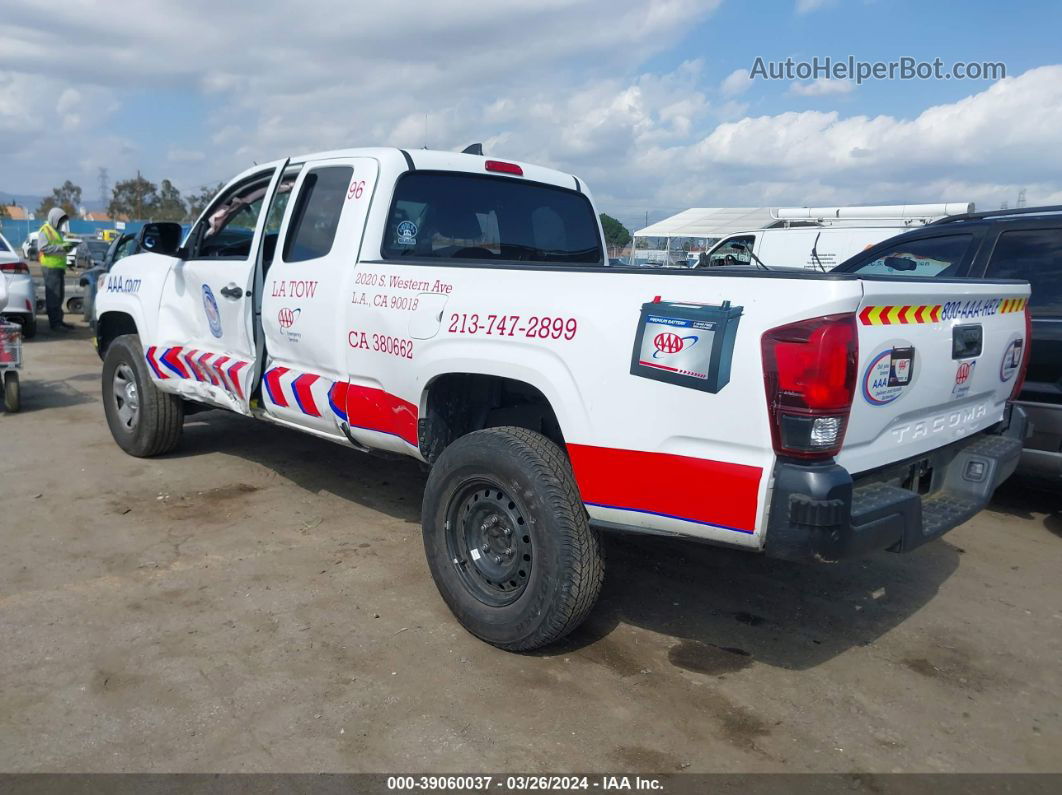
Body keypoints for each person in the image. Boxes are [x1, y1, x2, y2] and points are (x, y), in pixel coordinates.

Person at [38, 207, 75, 331]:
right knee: (53, 297)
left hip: (58, 268)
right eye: (60, 221)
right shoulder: (45, 230)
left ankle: (59, 321)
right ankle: (55, 324)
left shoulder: (56, 231)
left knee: (59, 296)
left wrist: (66, 248)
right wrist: (61, 248)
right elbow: (43, 248)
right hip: (50, 268)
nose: (61, 224)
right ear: (54, 219)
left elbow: (57, 248)